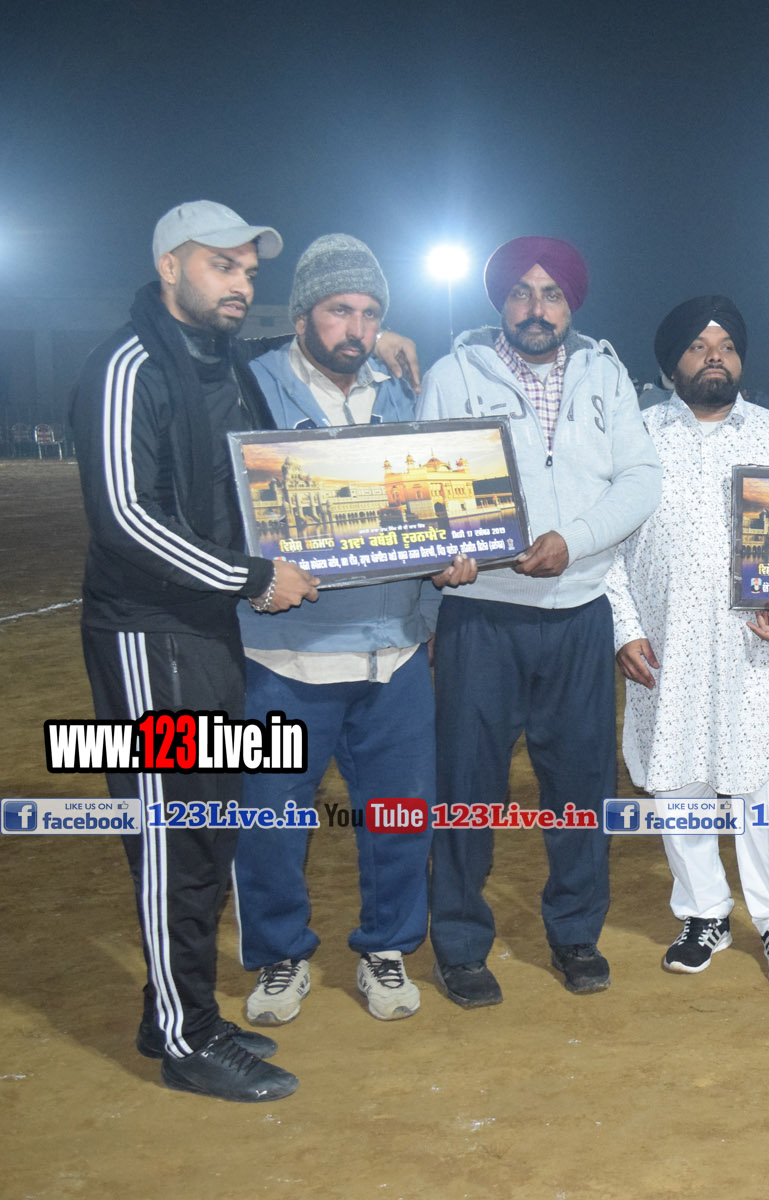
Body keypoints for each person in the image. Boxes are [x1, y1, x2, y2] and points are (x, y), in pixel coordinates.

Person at [68, 201, 314, 1101]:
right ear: (170, 266)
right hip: (147, 637)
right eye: (222, 265)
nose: (240, 283)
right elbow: (126, 519)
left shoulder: (222, 363)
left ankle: (173, 1008)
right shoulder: (128, 366)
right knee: (173, 832)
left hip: (204, 632)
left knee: (209, 828)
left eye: (249, 270)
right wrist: (252, 578)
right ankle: (186, 1038)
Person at [233, 235, 476, 1028]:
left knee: (401, 818)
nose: (357, 328)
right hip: (283, 656)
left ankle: (387, 947)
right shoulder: (248, 385)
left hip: (392, 651)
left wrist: (445, 573)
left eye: (371, 313)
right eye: (340, 310)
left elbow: (438, 504)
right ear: (303, 312)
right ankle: (279, 954)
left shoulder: (403, 393)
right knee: (269, 826)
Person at [418, 236, 661, 1007]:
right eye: (521, 292)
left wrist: (575, 541)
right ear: (500, 300)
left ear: (571, 304)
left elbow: (640, 479)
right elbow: (423, 486)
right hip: (480, 617)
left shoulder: (606, 375)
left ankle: (576, 934)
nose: (536, 307)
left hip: (579, 613)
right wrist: (445, 554)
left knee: (581, 788)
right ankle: (460, 946)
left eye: (552, 293)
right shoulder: (454, 375)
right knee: (467, 787)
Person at [608, 295, 769, 984]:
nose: (714, 357)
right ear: (671, 361)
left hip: (754, 649)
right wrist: (624, 629)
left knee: (766, 791)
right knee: (678, 788)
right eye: (699, 346)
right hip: (664, 651)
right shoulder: (637, 438)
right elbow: (607, 545)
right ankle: (703, 912)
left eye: (727, 346)